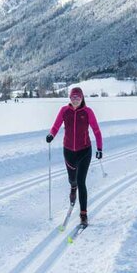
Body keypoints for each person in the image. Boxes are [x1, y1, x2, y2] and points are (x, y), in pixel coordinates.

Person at [46, 86, 103, 226]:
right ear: (70, 99)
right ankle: (73, 188)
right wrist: (51, 135)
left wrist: (99, 148)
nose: (75, 100)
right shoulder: (64, 111)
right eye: (73, 97)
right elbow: (56, 126)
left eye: (78, 97)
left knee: (81, 181)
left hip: (85, 151)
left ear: (82, 98)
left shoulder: (88, 112)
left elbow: (96, 130)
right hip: (69, 151)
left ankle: (83, 214)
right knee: (73, 179)